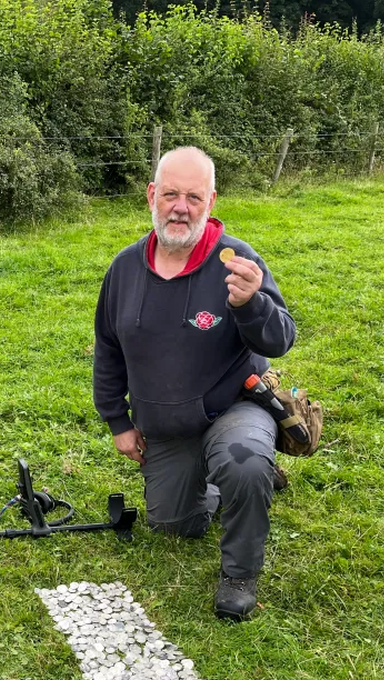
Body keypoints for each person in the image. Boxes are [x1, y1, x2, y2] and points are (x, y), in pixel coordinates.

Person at [92, 146, 296, 621]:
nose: (180, 207)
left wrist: (252, 305)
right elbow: (108, 348)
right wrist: (118, 422)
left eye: (193, 197)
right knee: (174, 525)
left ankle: (240, 574)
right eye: (170, 195)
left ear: (211, 201)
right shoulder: (124, 268)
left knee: (242, 461)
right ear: (151, 196)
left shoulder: (238, 261)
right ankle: (240, 482)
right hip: (168, 424)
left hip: (234, 405)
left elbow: (281, 338)